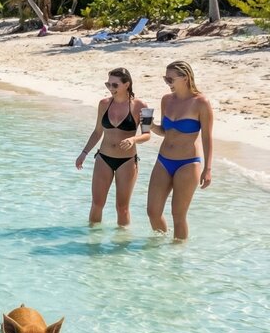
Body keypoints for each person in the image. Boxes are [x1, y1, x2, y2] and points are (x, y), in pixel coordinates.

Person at [146, 61, 214, 241]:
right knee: (152, 211)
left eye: (170, 79)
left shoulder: (201, 103)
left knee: (178, 215)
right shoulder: (166, 100)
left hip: (188, 163)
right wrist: (152, 126)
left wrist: (207, 169)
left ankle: (178, 257)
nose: (167, 82)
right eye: (165, 78)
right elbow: (166, 131)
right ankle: (160, 249)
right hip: (163, 160)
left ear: (185, 77)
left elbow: (207, 138)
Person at [75, 68, 151, 226]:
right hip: (104, 158)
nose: (110, 88)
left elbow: (147, 135)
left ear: (127, 84)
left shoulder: (141, 106)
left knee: (122, 208)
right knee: (97, 204)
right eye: (108, 84)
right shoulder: (103, 104)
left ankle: (122, 247)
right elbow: (97, 132)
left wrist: (133, 139)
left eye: (115, 85)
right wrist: (84, 153)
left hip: (127, 161)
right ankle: (92, 244)